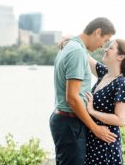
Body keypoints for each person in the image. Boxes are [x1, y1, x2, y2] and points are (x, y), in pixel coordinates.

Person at [49, 17, 117, 165]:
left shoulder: (71, 46)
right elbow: (72, 98)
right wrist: (95, 129)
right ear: (97, 32)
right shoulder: (77, 52)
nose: (103, 46)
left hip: (66, 122)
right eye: (105, 40)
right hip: (70, 122)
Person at [84, 39, 125, 165]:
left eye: (111, 48)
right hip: (92, 141)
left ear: (120, 56)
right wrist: (70, 39)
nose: (105, 49)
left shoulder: (122, 83)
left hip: (105, 147)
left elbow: (121, 120)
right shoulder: (104, 74)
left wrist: (92, 111)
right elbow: (84, 55)